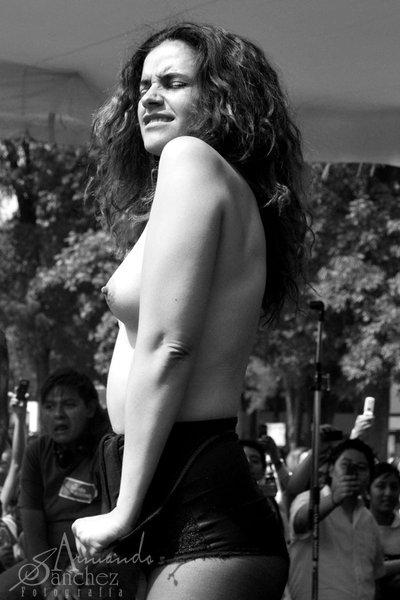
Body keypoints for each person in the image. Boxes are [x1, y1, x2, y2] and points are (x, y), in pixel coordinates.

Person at [72, 21, 309, 600]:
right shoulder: (210, 183)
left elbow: (169, 345)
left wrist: (123, 512)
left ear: (221, 99)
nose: (149, 97)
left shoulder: (191, 158)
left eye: (173, 83)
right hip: (166, 493)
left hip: (196, 506)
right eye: (143, 86)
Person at [0, 368, 111, 600]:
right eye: (49, 406)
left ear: (91, 408)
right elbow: (32, 529)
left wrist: (72, 577)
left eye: (69, 404)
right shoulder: (37, 452)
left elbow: (109, 527)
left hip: (100, 563)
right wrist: (48, 586)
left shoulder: (108, 450)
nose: (58, 414)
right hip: (46, 564)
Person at [288, 438, 385, 600]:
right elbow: (300, 523)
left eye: (361, 468)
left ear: (369, 477)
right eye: (346, 465)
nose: (353, 473)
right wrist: (334, 499)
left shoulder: (368, 519)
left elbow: (376, 576)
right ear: (331, 470)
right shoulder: (309, 499)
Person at [368, 462, 400, 599]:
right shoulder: (356, 526)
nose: (388, 493)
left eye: (394, 487)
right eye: (381, 486)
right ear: (367, 492)